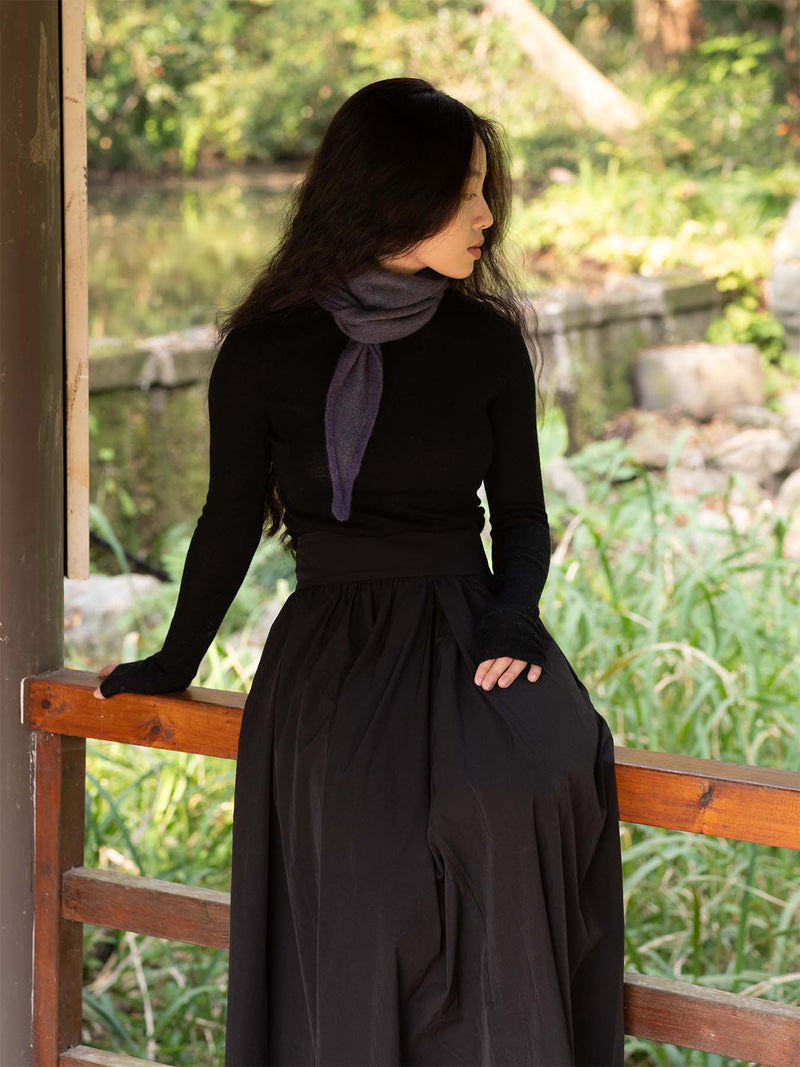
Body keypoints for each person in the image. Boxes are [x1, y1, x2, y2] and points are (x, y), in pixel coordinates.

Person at [94, 77, 626, 1067]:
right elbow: (227, 520)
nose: (487, 213)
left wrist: (513, 615)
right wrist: (174, 657)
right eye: (463, 191)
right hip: (334, 653)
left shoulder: (485, 341)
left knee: (525, 805)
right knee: (366, 902)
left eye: (483, 188)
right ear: (392, 191)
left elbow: (519, 513)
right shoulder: (263, 349)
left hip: (468, 628)